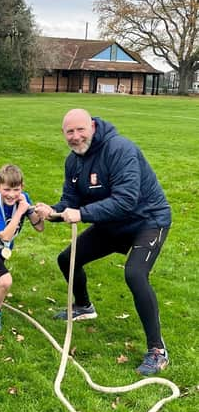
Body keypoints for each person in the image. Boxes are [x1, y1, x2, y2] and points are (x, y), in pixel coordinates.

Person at [35, 108, 172, 376]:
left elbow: (127, 199)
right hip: (112, 223)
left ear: (93, 127)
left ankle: (157, 350)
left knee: (135, 274)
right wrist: (50, 212)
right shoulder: (72, 162)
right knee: (67, 259)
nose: (75, 137)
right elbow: (70, 203)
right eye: (69, 132)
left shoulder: (119, 149)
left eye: (80, 130)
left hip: (147, 220)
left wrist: (83, 214)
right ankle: (84, 306)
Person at [0, 165, 44, 333]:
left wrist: (35, 211)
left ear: (22, 187)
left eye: (16, 189)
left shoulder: (23, 198)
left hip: (3, 248)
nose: (12, 194)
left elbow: (40, 227)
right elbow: (5, 235)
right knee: (5, 281)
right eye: (7, 189)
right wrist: (20, 212)